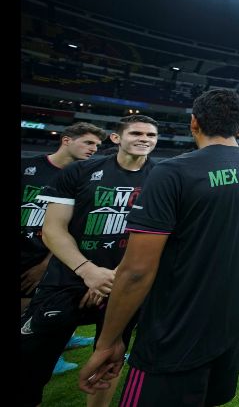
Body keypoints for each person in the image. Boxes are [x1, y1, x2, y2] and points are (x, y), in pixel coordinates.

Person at [78, 89, 239, 406]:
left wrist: (107, 342)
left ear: (194, 123)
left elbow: (136, 271)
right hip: (231, 317)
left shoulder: (172, 171)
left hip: (174, 327)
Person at [19, 114, 159, 407]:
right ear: (117, 138)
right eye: (136, 133)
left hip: (122, 284)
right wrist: (88, 271)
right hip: (66, 279)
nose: (144, 139)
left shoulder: (161, 177)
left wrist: (111, 278)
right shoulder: (81, 170)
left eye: (151, 135)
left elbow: (155, 239)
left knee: (109, 359)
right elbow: (52, 229)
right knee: (30, 360)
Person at [20, 122, 107, 375]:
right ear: (67, 140)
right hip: (25, 246)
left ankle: (59, 344)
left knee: (49, 304)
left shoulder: (84, 176)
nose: (94, 149)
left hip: (49, 254)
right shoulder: (28, 168)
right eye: (88, 143)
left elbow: (70, 226)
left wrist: (47, 261)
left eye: (97, 146)